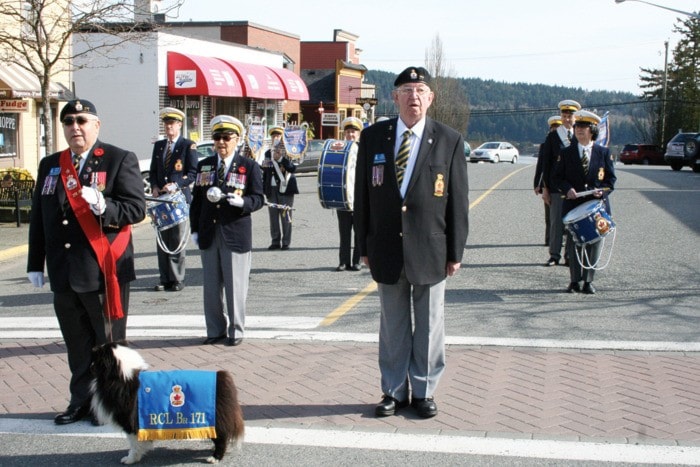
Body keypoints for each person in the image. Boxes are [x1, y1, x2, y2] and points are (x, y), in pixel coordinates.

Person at [354, 67, 469, 419]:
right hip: (386, 248)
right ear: (395, 97)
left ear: (430, 98)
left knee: (430, 324)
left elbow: (458, 201)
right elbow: (362, 197)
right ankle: (392, 391)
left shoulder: (448, 139)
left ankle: (424, 390)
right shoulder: (373, 138)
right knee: (393, 325)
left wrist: (456, 251)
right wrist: (362, 248)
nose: (413, 97)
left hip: (431, 249)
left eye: (420, 90)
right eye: (406, 90)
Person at [26, 99, 145, 425]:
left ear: (96, 125)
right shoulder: (51, 164)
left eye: (81, 120)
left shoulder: (118, 158)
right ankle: (82, 401)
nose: (74, 127)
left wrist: (103, 206)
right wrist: (35, 262)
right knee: (77, 345)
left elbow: (136, 209)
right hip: (64, 271)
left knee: (108, 347)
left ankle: (114, 405)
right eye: (68, 122)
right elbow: (40, 216)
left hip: (102, 272)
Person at [189, 115, 264, 346]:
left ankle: (236, 331)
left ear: (237, 139)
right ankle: (215, 330)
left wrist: (243, 204)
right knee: (211, 288)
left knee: (235, 287)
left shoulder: (248, 166)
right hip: (209, 233)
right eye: (217, 138)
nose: (221, 142)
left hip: (234, 233)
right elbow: (198, 202)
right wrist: (194, 230)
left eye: (226, 138)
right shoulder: (205, 165)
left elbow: (259, 198)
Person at [551, 110, 616, 294]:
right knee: (573, 243)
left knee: (594, 243)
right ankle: (574, 281)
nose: (579, 130)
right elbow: (556, 178)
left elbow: (610, 181)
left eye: (583, 127)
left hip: (596, 207)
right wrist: (567, 189)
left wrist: (601, 193)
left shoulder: (603, 153)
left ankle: (588, 281)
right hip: (573, 206)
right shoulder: (566, 153)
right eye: (577, 127)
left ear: (592, 130)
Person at [149, 107, 199, 291]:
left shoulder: (188, 145)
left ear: (179, 124)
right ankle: (164, 279)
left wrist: (176, 184)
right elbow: (154, 171)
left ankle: (177, 278)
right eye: (166, 124)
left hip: (178, 199)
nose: (168, 127)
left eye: (172, 123)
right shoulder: (159, 146)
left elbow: (193, 172)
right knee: (162, 240)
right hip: (161, 200)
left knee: (177, 240)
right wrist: (154, 186)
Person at [539, 99, 580, 266]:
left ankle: (569, 255)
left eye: (570, 117)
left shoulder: (580, 135)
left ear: (575, 118)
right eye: (564, 116)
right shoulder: (553, 137)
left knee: (571, 224)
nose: (567, 119)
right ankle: (554, 255)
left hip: (574, 188)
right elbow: (546, 164)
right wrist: (545, 189)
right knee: (556, 223)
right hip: (556, 187)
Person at [261, 125, 298, 251]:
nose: (276, 138)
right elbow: (265, 171)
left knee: (286, 215)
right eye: (273, 136)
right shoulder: (267, 153)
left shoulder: (289, 152)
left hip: (285, 188)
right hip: (271, 189)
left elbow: (293, 168)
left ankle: (286, 242)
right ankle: (275, 241)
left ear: (282, 138)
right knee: (273, 217)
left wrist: (281, 159)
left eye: (278, 136)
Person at [335, 116, 363, 272]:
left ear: (358, 134)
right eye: (348, 132)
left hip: (359, 198)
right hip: (344, 198)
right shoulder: (339, 149)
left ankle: (357, 261)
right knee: (344, 232)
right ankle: (343, 262)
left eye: (353, 132)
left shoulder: (364, 149)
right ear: (344, 134)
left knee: (359, 232)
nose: (351, 135)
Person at [533, 115, 562, 246]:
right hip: (548, 183)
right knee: (549, 215)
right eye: (553, 128)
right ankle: (549, 239)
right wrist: (537, 184)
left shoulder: (566, 143)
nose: (554, 130)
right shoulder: (545, 145)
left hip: (562, 184)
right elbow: (541, 165)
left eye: (557, 128)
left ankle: (561, 239)